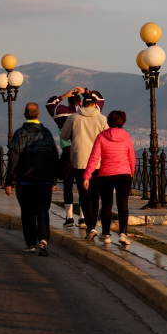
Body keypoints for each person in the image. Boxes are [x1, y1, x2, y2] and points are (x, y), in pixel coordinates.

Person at [5, 103, 59, 256]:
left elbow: (13, 159)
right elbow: (54, 157)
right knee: (43, 211)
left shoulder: (19, 134)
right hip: (44, 181)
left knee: (27, 213)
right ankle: (43, 239)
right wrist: (53, 179)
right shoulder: (46, 133)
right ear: (38, 115)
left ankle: (30, 244)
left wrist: (9, 181)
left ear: (25, 115)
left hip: (24, 182)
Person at [46, 87, 104, 228]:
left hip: (69, 152)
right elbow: (100, 98)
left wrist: (64, 95)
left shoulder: (63, 113)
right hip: (90, 154)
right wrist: (86, 91)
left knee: (68, 185)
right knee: (85, 188)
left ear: (69, 101)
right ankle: (84, 219)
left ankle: (69, 217)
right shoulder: (95, 112)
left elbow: (50, 104)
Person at [60, 92, 108, 243]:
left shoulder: (74, 118)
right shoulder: (102, 119)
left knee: (84, 194)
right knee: (95, 194)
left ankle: (90, 226)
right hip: (98, 162)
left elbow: (64, 136)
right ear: (94, 105)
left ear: (82, 104)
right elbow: (107, 138)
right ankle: (93, 223)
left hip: (80, 160)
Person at [83, 110, 135, 247]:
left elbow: (94, 158)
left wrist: (87, 176)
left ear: (108, 121)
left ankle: (106, 234)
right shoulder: (126, 136)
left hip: (106, 175)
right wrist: (131, 172)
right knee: (123, 204)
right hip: (124, 174)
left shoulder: (101, 136)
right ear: (122, 121)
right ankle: (123, 233)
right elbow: (131, 157)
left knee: (106, 204)